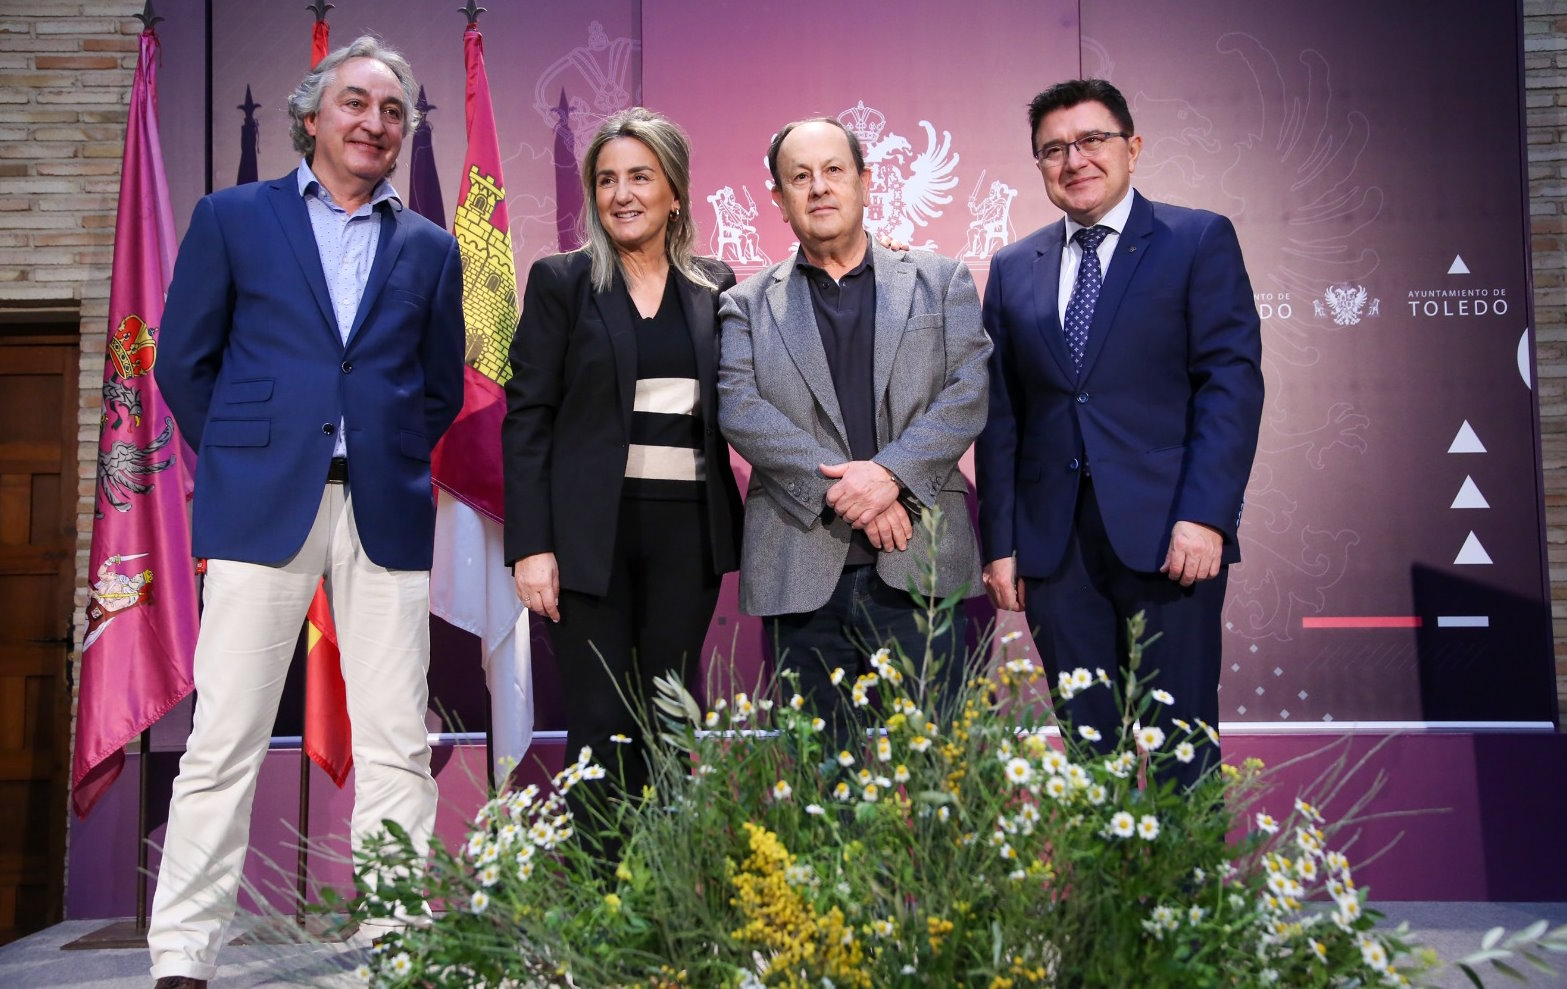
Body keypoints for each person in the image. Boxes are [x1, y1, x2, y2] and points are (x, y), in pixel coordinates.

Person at [146, 38, 464, 989]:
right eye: (357, 103)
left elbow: (438, 389)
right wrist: (249, 458)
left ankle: (395, 939)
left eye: (394, 110)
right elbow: (181, 362)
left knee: (397, 743)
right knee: (225, 737)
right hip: (260, 512)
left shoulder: (432, 247)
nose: (376, 123)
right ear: (312, 117)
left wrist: (382, 448)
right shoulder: (233, 217)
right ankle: (183, 954)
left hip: (386, 512)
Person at [975, 79, 1263, 786]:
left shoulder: (1196, 239)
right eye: (1053, 149)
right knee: (1086, 748)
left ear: (1131, 148)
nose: (1074, 160)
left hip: (1170, 537)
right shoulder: (1015, 267)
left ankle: (1189, 897)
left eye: (1091, 140)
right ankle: (1103, 900)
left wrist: (1205, 516)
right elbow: (1002, 411)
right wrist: (1001, 543)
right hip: (1053, 549)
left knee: (1180, 744)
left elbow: (1230, 385)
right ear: (1038, 165)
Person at [503, 108, 743, 827]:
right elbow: (528, 418)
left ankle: (669, 907)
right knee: (599, 724)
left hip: (686, 539)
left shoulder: (716, 284)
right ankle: (598, 916)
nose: (622, 193)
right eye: (606, 180)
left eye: (640, 176)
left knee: (669, 718)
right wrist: (530, 546)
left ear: (675, 190)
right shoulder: (561, 281)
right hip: (586, 544)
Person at [717, 117, 991, 742]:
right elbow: (740, 409)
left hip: (917, 561)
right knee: (821, 782)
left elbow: (969, 391)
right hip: (799, 566)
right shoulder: (744, 304)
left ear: (865, 182)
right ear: (779, 199)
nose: (819, 188)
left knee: (933, 774)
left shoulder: (940, 279)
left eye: (834, 171)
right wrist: (851, 492)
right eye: (800, 177)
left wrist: (889, 475)